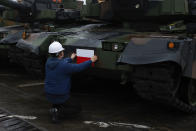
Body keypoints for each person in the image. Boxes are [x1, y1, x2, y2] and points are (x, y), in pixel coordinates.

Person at [44, 41, 98, 123]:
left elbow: (61, 63)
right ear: (60, 54)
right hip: (61, 95)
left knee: (57, 102)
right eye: (62, 51)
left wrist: (70, 58)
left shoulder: (48, 61)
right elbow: (79, 67)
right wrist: (91, 60)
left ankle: (55, 108)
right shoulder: (64, 66)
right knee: (77, 108)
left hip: (49, 94)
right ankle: (57, 112)